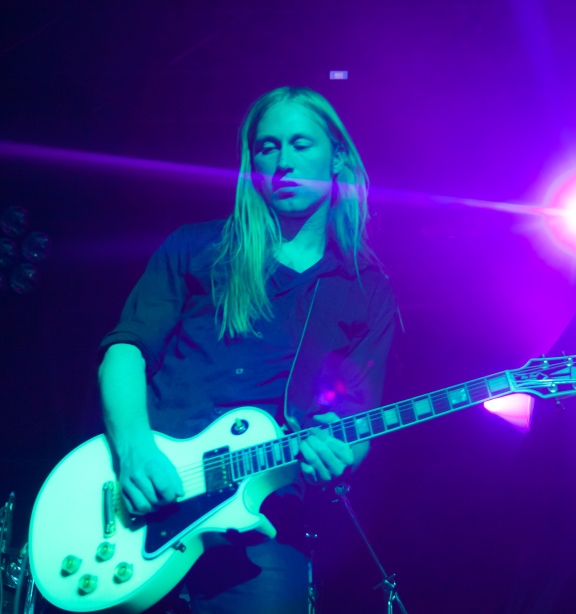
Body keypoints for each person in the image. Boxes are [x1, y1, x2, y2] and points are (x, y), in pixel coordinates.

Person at [97, 86, 397, 613]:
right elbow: (124, 351)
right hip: (147, 496)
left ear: (337, 157)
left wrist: (338, 452)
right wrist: (135, 451)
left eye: (301, 144)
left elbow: (356, 421)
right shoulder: (197, 247)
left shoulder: (366, 288)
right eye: (267, 147)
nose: (283, 162)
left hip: (261, 530)